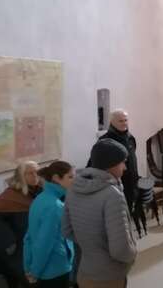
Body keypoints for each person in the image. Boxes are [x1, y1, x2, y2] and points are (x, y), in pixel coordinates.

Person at [63, 138, 137, 288]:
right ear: (111, 165)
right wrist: (133, 255)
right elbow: (120, 250)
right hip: (109, 277)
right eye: (122, 162)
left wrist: (91, 246)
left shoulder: (73, 188)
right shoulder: (112, 195)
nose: (125, 167)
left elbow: (66, 230)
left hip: (85, 272)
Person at [0, 161, 41, 288]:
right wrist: (10, 241)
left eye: (37, 172)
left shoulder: (41, 190)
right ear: (20, 176)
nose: (35, 175)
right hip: (18, 245)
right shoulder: (9, 197)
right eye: (30, 173)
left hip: (39, 243)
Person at [24, 161, 75, 287]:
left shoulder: (39, 199)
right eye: (70, 177)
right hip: (56, 269)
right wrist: (35, 271)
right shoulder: (55, 206)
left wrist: (28, 266)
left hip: (44, 267)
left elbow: (28, 238)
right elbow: (44, 243)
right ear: (56, 178)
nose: (74, 181)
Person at [94, 109, 141, 236]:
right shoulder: (105, 141)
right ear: (112, 122)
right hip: (114, 187)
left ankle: (126, 240)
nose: (124, 123)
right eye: (121, 121)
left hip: (131, 185)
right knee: (117, 221)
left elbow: (132, 162)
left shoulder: (130, 138)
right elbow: (98, 166)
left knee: (127, 217)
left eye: (126, 120)